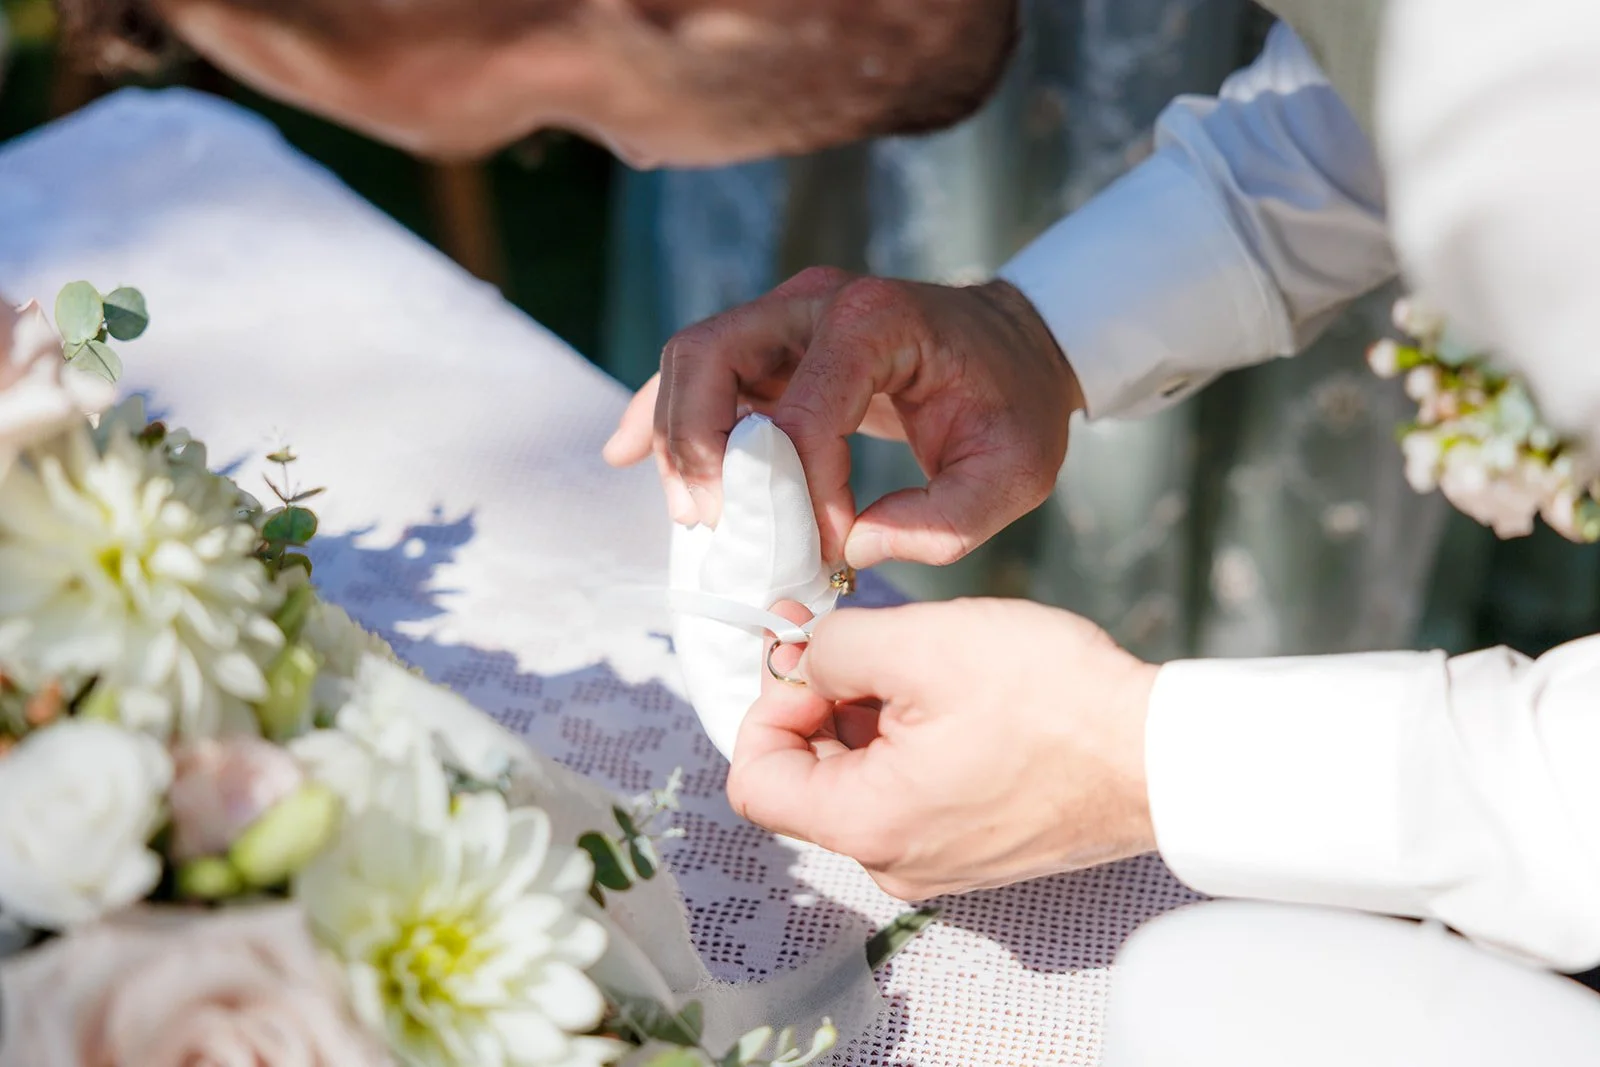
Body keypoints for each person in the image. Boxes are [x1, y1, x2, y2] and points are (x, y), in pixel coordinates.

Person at [61, 0, 1600, 981]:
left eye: (576, 121)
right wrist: (1042, 325)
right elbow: (1367, 73)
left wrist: (1151, 762)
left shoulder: (1522, 107)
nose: (648, 176)